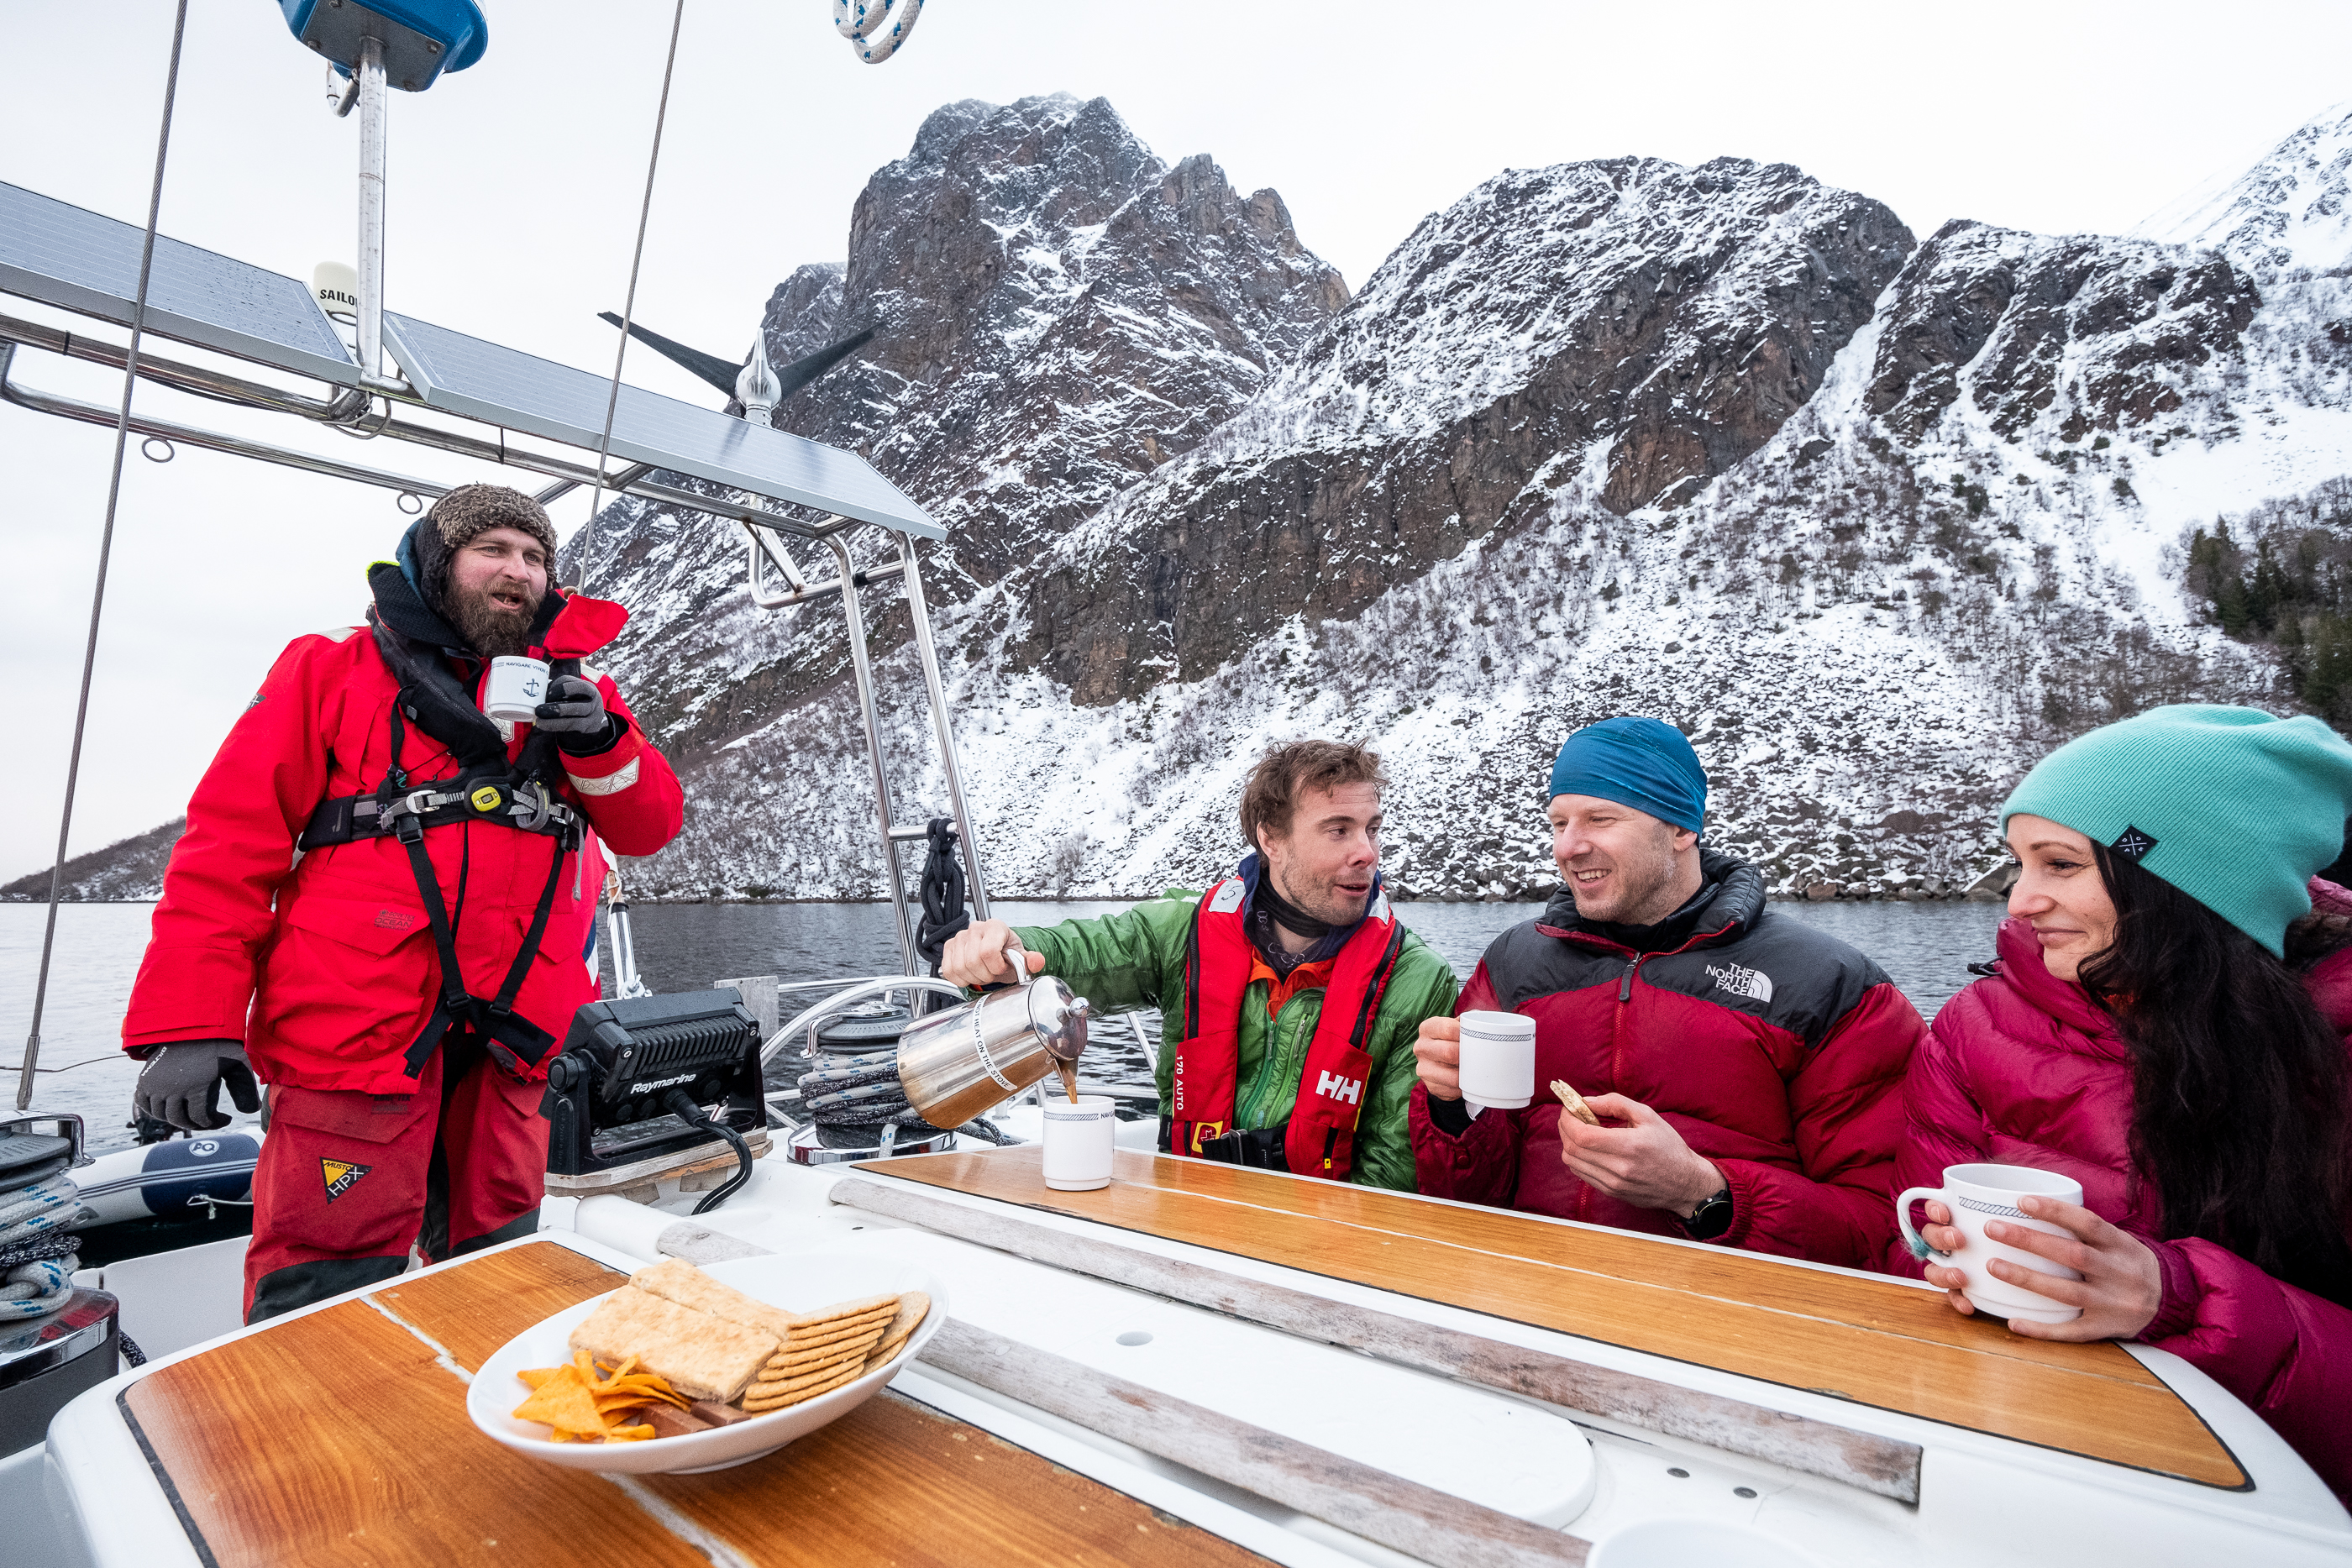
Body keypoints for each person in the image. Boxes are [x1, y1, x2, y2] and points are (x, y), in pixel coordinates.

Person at [121, 485, 683, 1321]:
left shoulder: (574, 698)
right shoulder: (326, 671)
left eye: (535, 557)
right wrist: (190, 1025)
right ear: (438, 562)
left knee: (507, 1276)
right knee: (325, 1286)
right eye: (493, 548)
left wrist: (602, 740)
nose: (518, 569)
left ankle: (494, 1436)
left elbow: (647, 826)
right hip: (356, 1034)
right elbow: (227, 849)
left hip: (514, 1043)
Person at [1887, 704, 2352, 1502]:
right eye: (2018, 864)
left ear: (2175, 878)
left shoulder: (2330, 1049)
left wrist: (2180, 1299)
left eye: (2060, 864)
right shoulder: (1974, 1027)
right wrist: (1948, 1264)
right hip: (2021, 1453)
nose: (2019, 902)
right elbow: (1907, 1252)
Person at [1410, 718, 1921, 1263]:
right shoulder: (1515, 962)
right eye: (1558, 823)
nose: (1569, 846)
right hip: (1535, 1298)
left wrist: (1702, 1193)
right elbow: (1465, 1199)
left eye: (1600, 818)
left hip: (1723, 1324)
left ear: (1681, 828)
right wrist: (1452, 1112)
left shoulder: (1828, 983)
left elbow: (1889, 1231)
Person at [938, 740, 1457, 1188]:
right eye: (1338, 830)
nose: (1367, 852)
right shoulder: (1182, 933)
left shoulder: (1418, 980)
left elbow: (1391, 1175)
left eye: (1372, 828)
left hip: (1318, 1243)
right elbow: (1079, 953)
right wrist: (1000, 952)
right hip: (1185, 1211)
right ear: (1270, 838)